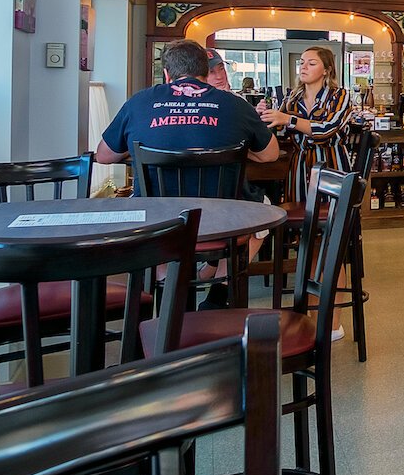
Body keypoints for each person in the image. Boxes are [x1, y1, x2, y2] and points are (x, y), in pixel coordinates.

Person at [95, 38, 279, 307]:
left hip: (158, 223)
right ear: (206, 72)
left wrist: (141, 148)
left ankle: (172, 295)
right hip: (223, 222)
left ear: (167, 74)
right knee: (262, 212)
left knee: (155, 227)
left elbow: (103, 155)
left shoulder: (140, 103)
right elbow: (270, 154)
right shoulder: (234, 105)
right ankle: (220, 293)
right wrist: (239, 148)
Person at [258, 46, 359, 205]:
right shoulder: (292, 97)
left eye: (311, 63)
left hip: (332, 162)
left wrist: (288, 119)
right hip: (300, 164)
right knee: (299, 211)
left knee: (333, 214)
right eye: (302, 62)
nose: (303, 67)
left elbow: (327, 129)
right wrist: (265, 115)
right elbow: (280, 130)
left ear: (327, 70)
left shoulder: (339, 95)